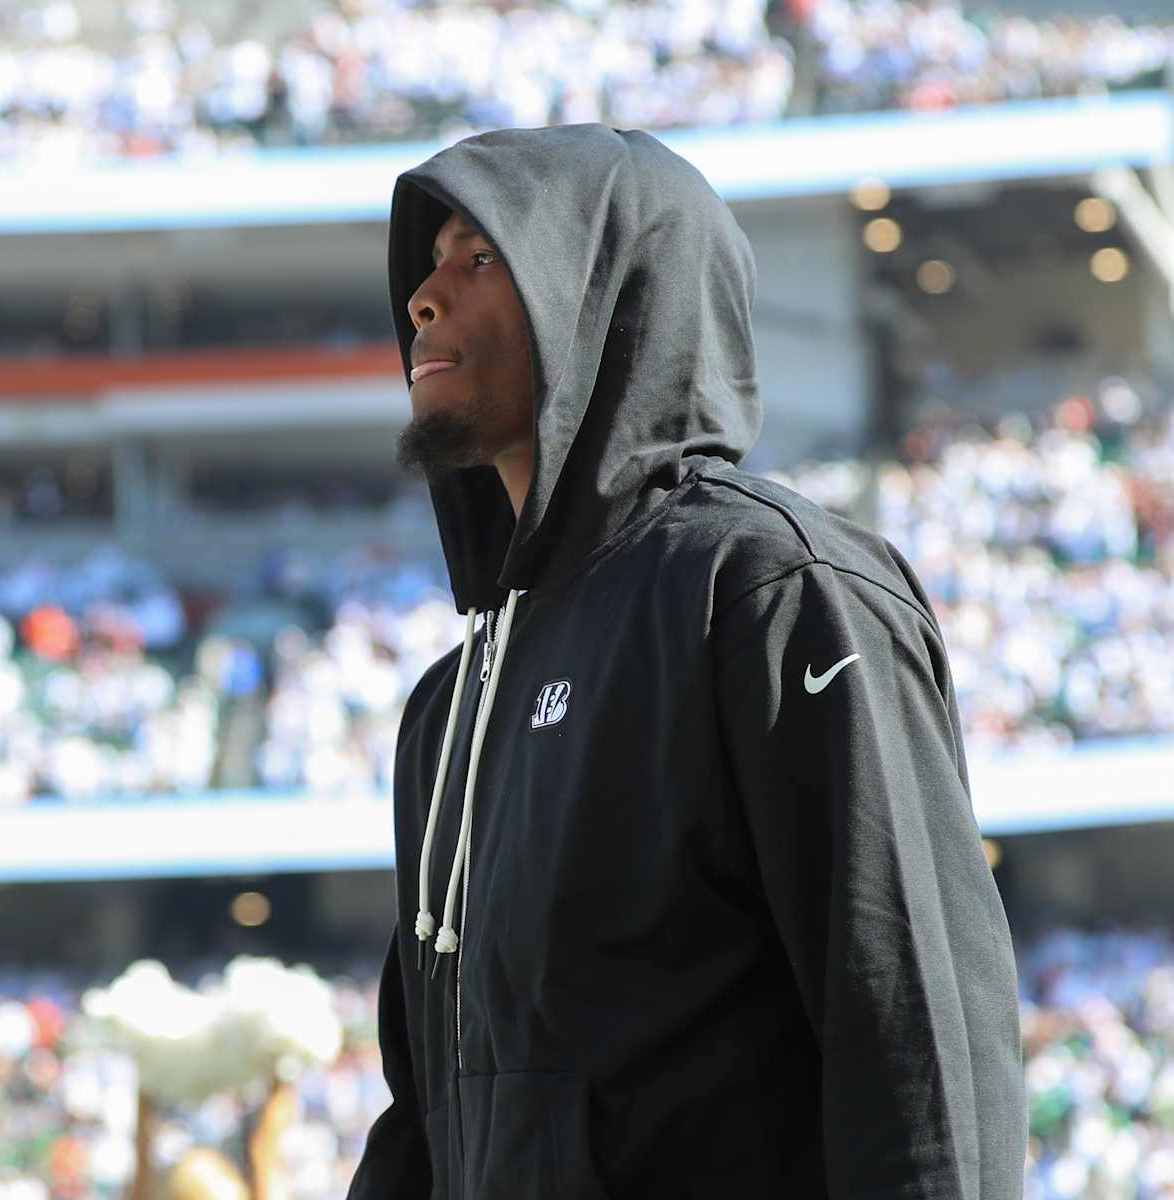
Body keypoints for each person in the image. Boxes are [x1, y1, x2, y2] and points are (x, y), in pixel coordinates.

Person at [348, 125, 1025, 1198]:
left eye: (480, 257)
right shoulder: (448, 709)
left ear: (602, 292)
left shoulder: (773, 593)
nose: (425, 298)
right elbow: (431, 1117)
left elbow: (916, 1042)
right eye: (429, 265)